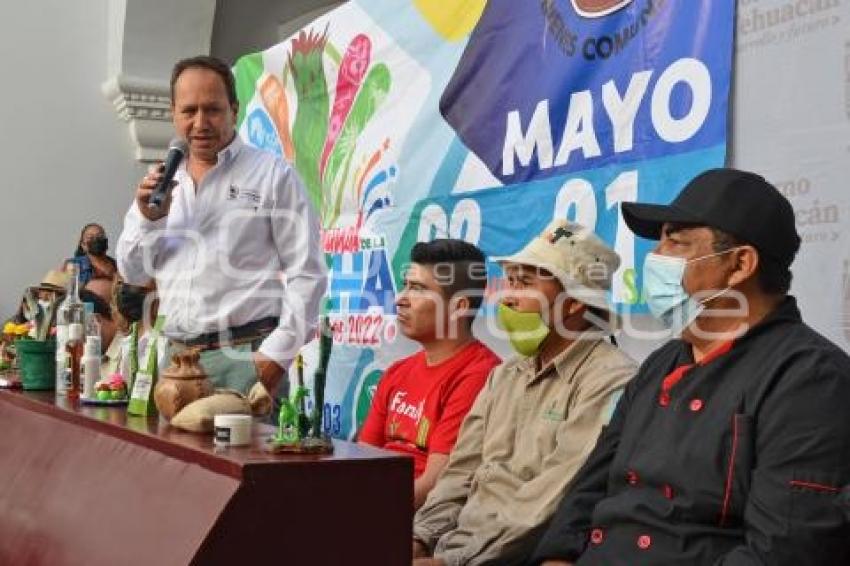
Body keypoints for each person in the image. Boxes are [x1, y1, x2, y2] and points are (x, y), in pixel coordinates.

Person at [532, 169, 850, 565]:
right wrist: (557, 556)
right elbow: (592, 483)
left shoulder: (811, 379)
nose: (654, 257)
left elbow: (785, 548)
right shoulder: (661, 362)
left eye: (675, 242)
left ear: (739, 265)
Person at [412, 220, 636, 565]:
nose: (510, 298)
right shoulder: (505, 374)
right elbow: (460, 471)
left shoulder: (609, 380)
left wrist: (450, 561)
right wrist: (420, 540)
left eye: (526, 283)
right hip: (455, 548)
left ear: (574, 302)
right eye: (511, 281)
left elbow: (550, 499)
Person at [117, 55, 327, 396]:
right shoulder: (162, 181)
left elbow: (308, 273)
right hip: (174, 363)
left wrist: (275, 357)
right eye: (189, 111)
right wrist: (148, 219)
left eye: (212, 109)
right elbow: (134, 273)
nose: (200, 122)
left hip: (244, 359)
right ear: (173, 113)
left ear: (235, 109)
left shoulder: (272, 175)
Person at [358, 239, 500, 509]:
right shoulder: (397, 372)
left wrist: (363, 510)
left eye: (418, 289)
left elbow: (437, 483)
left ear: (459, 306)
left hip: (419, 521)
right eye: (406, 286)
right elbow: (363, 459)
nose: (400, 299)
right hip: (373, 504)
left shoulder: (480, 375)